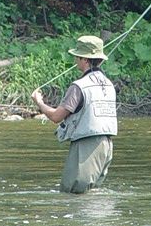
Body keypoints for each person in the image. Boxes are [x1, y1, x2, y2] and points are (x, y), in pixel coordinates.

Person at [31, 35, 117, 194]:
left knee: (72, 193)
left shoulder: (79, 86)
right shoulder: (108, 84)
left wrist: (39, 102)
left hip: (86, 146)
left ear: (85, 60)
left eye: (77, 56)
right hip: (107, 145)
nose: (75, 59)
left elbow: (56, 117)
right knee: (92, 196)